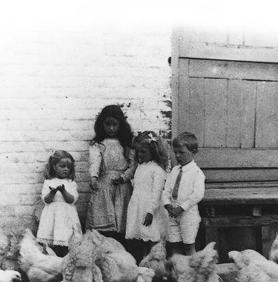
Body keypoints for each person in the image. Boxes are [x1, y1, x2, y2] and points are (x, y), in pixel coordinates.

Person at [86, 105, 135, 243]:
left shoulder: (127, 143)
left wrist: (124, 177)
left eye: (115, 124)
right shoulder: (98, 144)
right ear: (102, 124)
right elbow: (94, 162)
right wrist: (94, 177)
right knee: (104, 219)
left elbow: (133, 164)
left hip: (122, 185)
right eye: (108, 124)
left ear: (121, 125)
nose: (111, 128)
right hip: (105, 184)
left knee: (121, 218)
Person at [125, 131, 169, 262]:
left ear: (153, 152)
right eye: (138, 152)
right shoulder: (140, 167)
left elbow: (156, 193)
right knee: (141, 237)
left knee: (152, 236)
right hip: (138, 206)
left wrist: (150, 211)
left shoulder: (157, 170)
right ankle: (143, 263)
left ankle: (155, 264)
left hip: (150, 208)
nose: (140, 154)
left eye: (143, 152)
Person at [162, 132, 205, 256]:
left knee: (188, 246)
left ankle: (193, 272)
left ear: (193, 152)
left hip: (188, 214)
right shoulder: (174, 171)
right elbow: (166, 190)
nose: (177, 156)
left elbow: (197, 194)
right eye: (175, 152)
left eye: (181, 152)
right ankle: (179, 272)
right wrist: (167, 205)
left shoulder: (196, 173)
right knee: (174, 245)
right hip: (172, 212)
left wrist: (181, 208)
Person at [36, 150, 82, 257]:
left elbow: (72, 200)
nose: (66, 169)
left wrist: (63, 191)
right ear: (54, 166)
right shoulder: (48, 182)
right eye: (62, 166)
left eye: (68, 167)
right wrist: (52, 192)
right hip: (52, 216)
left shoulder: (71, 183)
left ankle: (64, 257)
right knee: (51, 242)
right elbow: (46, 200)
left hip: (66, 217)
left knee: (65, 239)